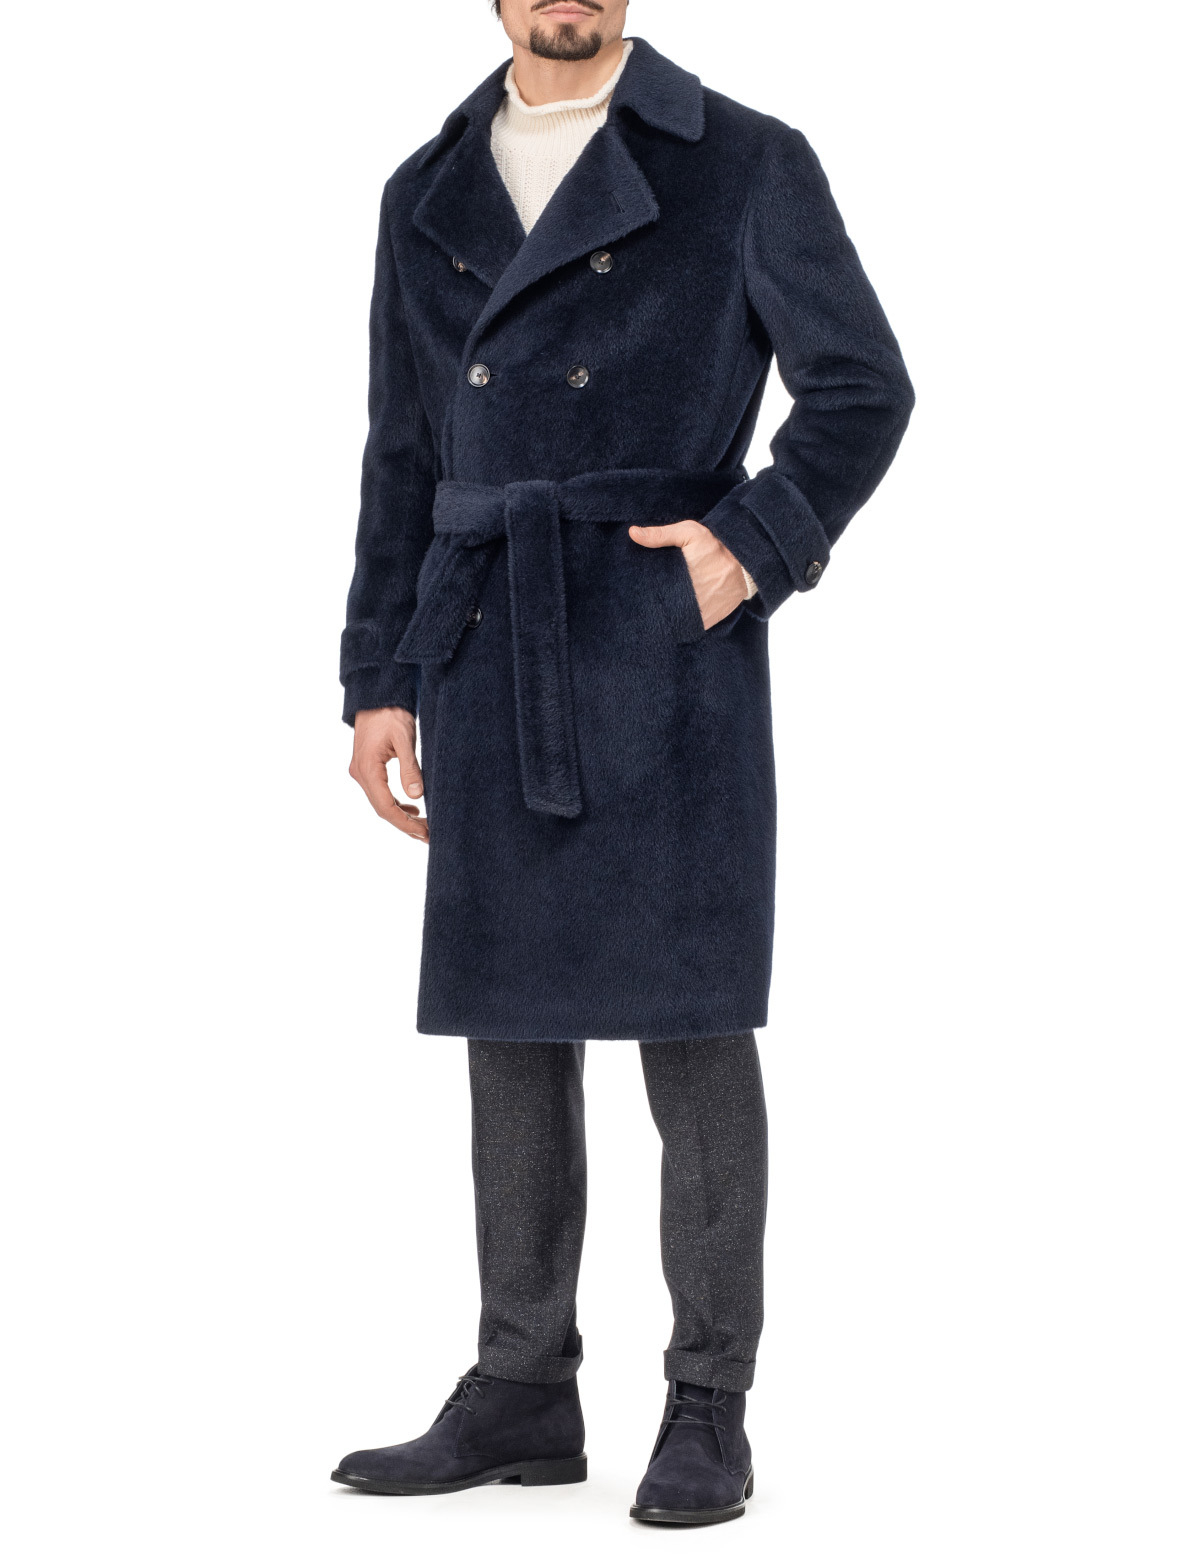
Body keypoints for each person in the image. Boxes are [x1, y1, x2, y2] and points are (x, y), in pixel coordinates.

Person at [332, 0, 913, 1526]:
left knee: (690, 1014)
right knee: (510, 1020)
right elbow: (403, 451)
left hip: (658, 638)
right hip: (480, 632)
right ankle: (523, 1381)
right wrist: (379, 677)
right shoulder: (425, 187)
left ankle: (709, 1399)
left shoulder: (743, 160)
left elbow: (863, 386)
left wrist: (750, 545)